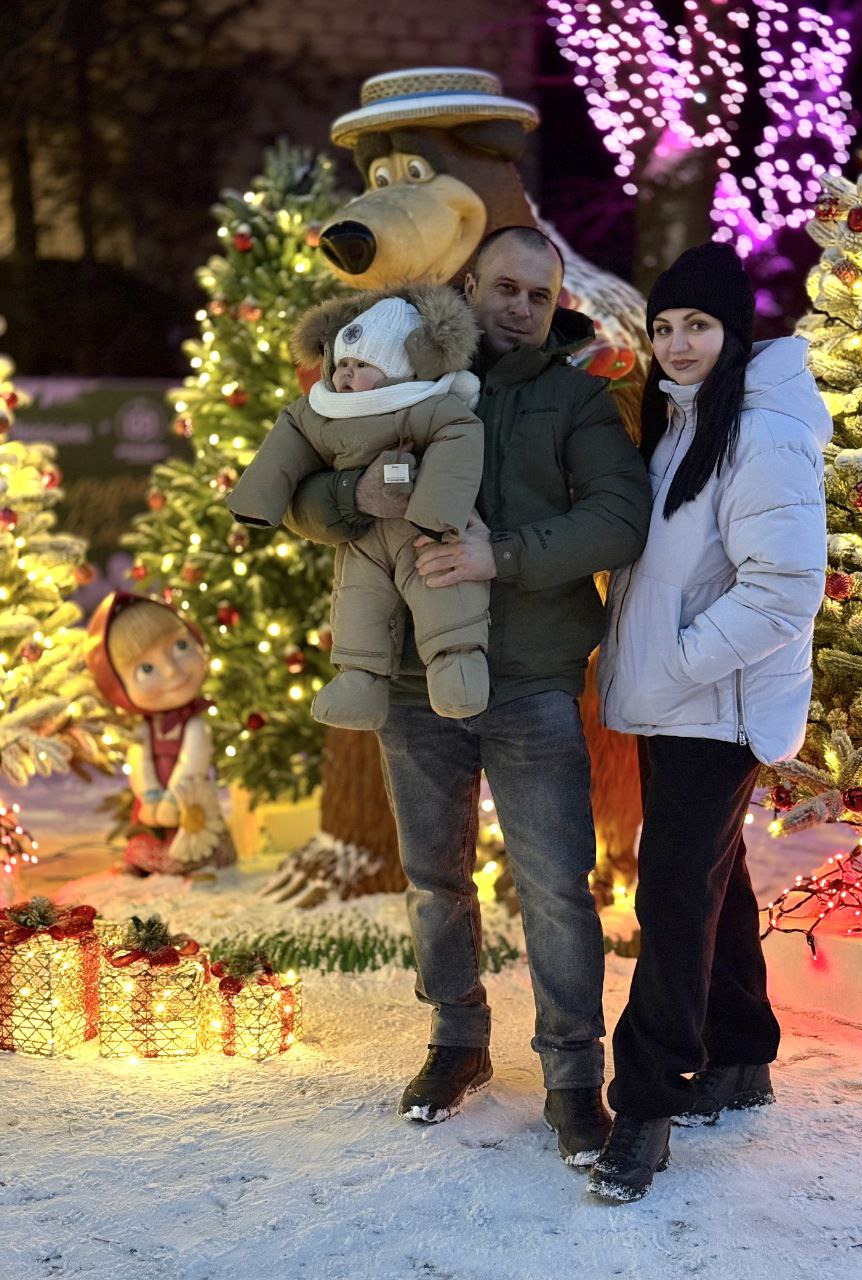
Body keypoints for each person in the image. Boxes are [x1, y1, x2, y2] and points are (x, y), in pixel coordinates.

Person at [284, 226, 652, 1166]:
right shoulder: (400, 373)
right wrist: (353, 500)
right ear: (469, 285)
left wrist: (506, 555)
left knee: (556, 889)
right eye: (505, 287)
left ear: (555, 305)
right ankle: (457, 1042)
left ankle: (574, 1075)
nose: (520, 307)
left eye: (539, 294)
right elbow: (303, 485)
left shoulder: (576, 398)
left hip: (530, 681)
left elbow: (620, 517)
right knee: (436, 880)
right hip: (415, 681)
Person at [591, 242, 832, 1202]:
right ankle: (740, 1053)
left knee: (671, 899)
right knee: (712, 884)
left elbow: (785, 589)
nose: (678, 344)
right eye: (664, 327)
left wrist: (679, 662)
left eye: (698, 325)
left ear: (734, 331)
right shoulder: (684, 420)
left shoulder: (760, 432)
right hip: (678, 701)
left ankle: (644, 1110)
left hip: (714, 706)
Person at [227, 288, 490, 727]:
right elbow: (289, 439)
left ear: (398, 370)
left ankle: (457, 662)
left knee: (441, 584)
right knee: (358, 600)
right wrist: (257, 499)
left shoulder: (420, 404)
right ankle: (360, 679)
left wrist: (435, 512)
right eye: (343, 363)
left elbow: (459, 433)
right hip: (362, 535)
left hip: (421, 529)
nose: (347, 374)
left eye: (363, 365)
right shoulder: (322, 411)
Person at [85, 592, 237, 875]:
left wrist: (172, 800)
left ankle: (198, 863)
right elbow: (140, 761)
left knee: (196, 837)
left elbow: (192, 763)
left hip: (189, 798)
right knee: (149, 835)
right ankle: (147, 864)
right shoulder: (143, 727)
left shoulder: (194, 725)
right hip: (153, 799)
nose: (171, 671)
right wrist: (150, 795)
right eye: (146, 668)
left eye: (181, 646)